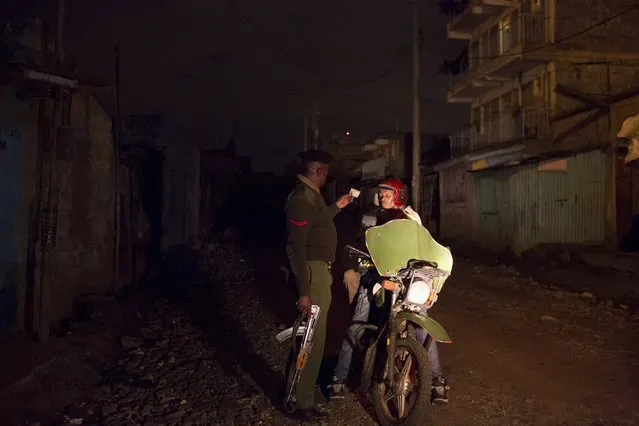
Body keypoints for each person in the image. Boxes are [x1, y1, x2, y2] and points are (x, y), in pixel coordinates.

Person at [329, 176, 450, 404]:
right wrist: (375, 275)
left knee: (424, 325)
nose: (382, 197)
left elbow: (425, 249)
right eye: (381, 193)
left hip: (406, 281)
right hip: (377, 279)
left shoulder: (411, 218)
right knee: (358, 322)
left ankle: (437, 381)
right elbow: (362, 251)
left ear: (399, 195)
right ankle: (339, 377)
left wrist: (432, 283)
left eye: (387, 193)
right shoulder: (373, 218)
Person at [284, 149, 354, 421]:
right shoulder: (302, 199)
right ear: (318, 171)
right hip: (311, 273)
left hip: (317, 272)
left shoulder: (312, 197)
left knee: (313, 338)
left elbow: (319, 222)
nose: (326, 175)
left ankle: (299, 395)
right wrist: (303, 290)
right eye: (324, 170)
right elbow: (298, 248)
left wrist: (338, 205)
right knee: (311, 340)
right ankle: (302, 402)